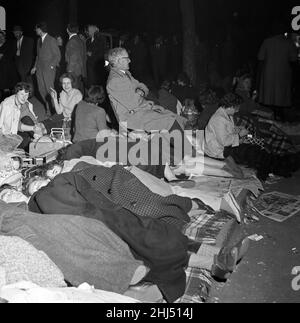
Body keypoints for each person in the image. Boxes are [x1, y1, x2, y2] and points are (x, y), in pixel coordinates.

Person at [204, 93, 299, 180]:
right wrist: (239, 135)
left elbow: (226, 132)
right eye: (236, 108)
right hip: (220, 150)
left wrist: (236, 129)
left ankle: (279, 164)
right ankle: (279, 166)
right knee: (251, 152)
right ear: (230, 106)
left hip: (229, 145)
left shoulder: (227, 115)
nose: (238, 110)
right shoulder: (218, 119)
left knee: (258, 145)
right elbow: (224, 141)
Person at [106, 47, 186, 133]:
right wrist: (141, 94)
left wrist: (140, 93)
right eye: (127, 58)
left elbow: (144, 87)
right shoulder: (115, 81)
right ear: (119, 61)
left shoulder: (126, 74)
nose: (129, 61)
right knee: (170, 122)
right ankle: (184, 146)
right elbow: (133, 102)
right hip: (131, 119)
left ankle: (190, 143)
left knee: (178, 118)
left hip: (140, 112)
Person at [258, 23, 298, 121]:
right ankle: (279, 121)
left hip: (269, 76)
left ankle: (271, 122)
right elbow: (294, 60)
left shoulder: (267, 42)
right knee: (281, 102)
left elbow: (260, 59)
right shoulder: (288, 43)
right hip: (283, 76)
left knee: (269, 101)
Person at [0, 82, 43, 151]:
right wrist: (32, 128)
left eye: (26, 95)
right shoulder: (7, 106)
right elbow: (14, 126)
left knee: (27, 119)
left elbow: (31, 118)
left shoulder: (26, 104)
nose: (24, 97)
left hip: (16, 131)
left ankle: (39, 141)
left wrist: (37, 127)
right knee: (27, 142)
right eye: (22, 94)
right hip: (6, 136)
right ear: (16, 93)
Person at [31, 22, 61, 117]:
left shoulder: (51, 40)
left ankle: (53, 110)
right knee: (41, 90)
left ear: (40, 29)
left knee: (49, 90)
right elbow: (38, 56)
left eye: (36, 29)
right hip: (39, 70)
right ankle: (48, 108)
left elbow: (57, 55)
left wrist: (52, 66)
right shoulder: (38, 40)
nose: (35, 30)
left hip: (48, 70)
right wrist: (35, 67)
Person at [65, 23, 87, 94]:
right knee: (77, 88)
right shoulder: (80, 40)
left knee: (72, 90)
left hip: (74, 70)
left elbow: (73, 57)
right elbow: (84, 56)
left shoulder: (72, 41)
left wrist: (70, 71)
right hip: (80, 70)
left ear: (67, 30)